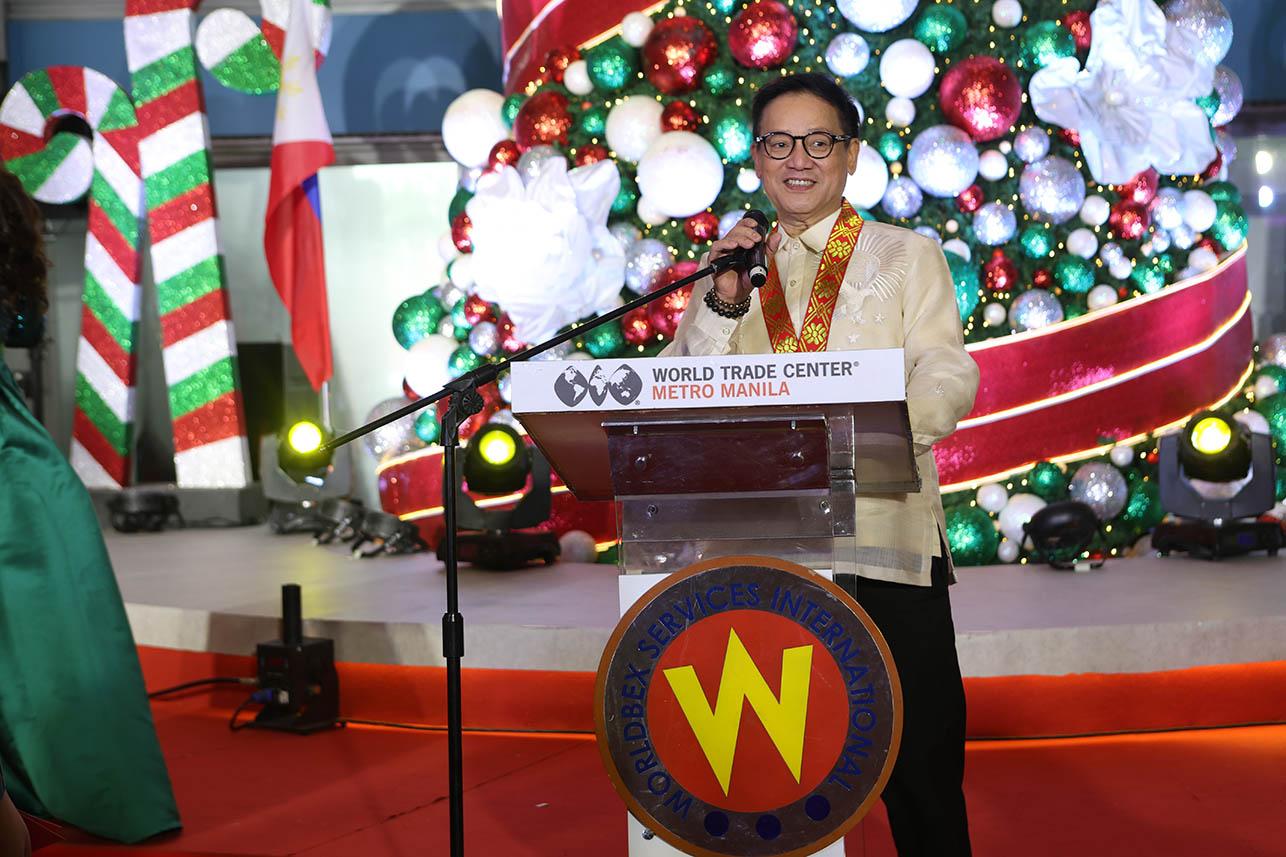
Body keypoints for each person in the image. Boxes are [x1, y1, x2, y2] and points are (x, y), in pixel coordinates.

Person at [666, 73, 979, 856]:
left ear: (851, 154)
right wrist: (723, 296)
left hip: (884, 538)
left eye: (818, 141)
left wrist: (882, 435)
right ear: (757, 158)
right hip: (764, 548)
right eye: (779, 143)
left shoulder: (906, 254)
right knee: (769, 770)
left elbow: (945, 368)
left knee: (920, 764)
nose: (798, 159)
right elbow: (680, 383)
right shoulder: (729, 270)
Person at [0, 166, 180, 843]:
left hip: (13, 456)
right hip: (14, 454)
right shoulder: (6, 213)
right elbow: (23, 325)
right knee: (48, 612)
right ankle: (79, 786)